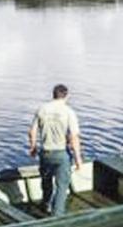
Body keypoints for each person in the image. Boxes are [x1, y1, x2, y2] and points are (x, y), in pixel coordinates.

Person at [28, 84, 83, 216]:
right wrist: (78, 159)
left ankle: (45, 205)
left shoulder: (42, 109)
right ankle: (57, 216)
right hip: (61, 154)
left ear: (53, 95)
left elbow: (32, 131)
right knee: (62, 187)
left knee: (46, 182)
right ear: (66, 96)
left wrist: (33, 147)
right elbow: (74, 137)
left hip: (45, 153)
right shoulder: (69, 112)